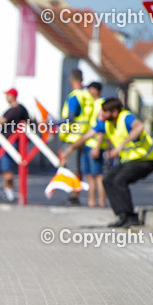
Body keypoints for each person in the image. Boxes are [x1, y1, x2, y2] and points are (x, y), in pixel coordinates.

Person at [58, 98, 153, 228]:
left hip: (146, 159)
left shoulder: (125, 117)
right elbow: (87, 136)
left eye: (105, 112)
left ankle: (130, 216)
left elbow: (140, 126)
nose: (102, 114)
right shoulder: (105, 123)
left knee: (119, 181)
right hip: (130, 161)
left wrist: (120, 147)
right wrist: (70, 148)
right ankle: (122, 215)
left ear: (114, 112)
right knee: (108, 180)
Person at [0, 87, 30, 202]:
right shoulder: (21, 109)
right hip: (14, 142)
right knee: (10, 168)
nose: (6, 97)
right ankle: (9, 191)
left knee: (7, 168)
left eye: (7, 95)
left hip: (10, 142)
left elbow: (0, 122)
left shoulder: (15, 110)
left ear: (12, 96)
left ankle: (9, 192)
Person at [57, 68, 95, 205]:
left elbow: (70, 117)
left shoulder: (74, 97)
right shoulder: (87, 96)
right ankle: (75, 195)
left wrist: (53, 123)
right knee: (77, 166)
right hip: (84, 135)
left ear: (70, 79)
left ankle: (74, 196)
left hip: (72, 137)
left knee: (73, 167)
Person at [83, 81, 106, 207]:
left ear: (96, 90)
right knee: (89, 175)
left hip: (95, 144)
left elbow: (101, 128)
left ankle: (101, 202)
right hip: (88, 143)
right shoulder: (92, 103)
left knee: (97, 175)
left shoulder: (101, 104)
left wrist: (97, 146)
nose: (88, 92)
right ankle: (91, 201)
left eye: (90, 89)